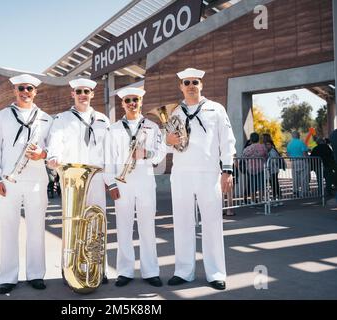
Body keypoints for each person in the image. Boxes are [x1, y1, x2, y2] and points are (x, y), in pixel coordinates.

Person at [165, 67, 236, 290]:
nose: (191, 86)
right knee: (183, 224)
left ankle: (216, 273)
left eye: (195, 82)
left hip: (209, 174)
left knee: (212, 224)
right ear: (181, 87)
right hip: (181, 174)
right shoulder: (174, 112)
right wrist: (168, 141)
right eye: (186, 83)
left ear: (201, 85)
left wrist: (228, 170)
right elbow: (166, 145)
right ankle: (184, 271)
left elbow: (227, 141)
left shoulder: (216, 109)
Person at [0, 74, 53, 294]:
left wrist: (43, 154)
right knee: (8, 229)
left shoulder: (46, 118)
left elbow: (53, 148)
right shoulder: (1, 116)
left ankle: (36, 274)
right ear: (14, 90)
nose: (26, 91)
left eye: (30, 88)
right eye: (21, 88)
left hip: (36, 180)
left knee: (36, 228)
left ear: (36, 92)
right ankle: (7, 277)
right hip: (8, 181)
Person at [47, 78, 110, 284]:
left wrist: (112, 179)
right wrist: (54, 157)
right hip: (73, 179)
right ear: (72, 94)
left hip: (97, 177)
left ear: (92, 94)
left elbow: (108, 149)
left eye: (87, 91)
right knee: (71, 226)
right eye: (79, 91)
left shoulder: (102, 119)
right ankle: (68, 269)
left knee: (98, 226)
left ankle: (99, 270)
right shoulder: (62, 118)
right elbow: (55, 140)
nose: (83, 94)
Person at [104, 87, 166, 287]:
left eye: (135, 100)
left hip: (146, 182)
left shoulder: (152, 126)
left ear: (140, 102)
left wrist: (145, 154)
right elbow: (108, 160)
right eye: (128, 100)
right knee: (123, 229)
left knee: (148, 228)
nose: (132, 103)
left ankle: (151, 272)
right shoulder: (113, 129)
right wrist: (111, 183)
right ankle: (125, 271)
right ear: (122, 103)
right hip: (122, 185)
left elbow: (160, 153)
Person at [242, 132, 268, 204]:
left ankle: (253, 200)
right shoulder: (262, 146)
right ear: (258, 138)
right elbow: (266, 155)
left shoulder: (248, 148)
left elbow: (243, 156)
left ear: (251, 139)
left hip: (251, 169)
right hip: (261, 168)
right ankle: (261, 200)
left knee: (252, 185)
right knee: (261, 185)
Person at [287, 131, 309, 197]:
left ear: (292, 136)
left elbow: (288, 154)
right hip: (302, 161)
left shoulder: (289, 144)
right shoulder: (301, 143)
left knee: (295, 178)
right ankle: (304, 192)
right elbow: (304, 153)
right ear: (298, 135)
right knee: (304, 177)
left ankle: (295, 191)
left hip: (293, 162)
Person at [265, 140, 283, 206]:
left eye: (268, 144)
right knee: (274, 184)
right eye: (266, 144)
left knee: (274, 185)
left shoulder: (272, 151)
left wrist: (268, 166)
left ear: (272, 145)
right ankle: (278, 199)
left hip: (274, 170)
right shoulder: (269, 151)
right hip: (272, 170)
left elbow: (274, 161)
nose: (267, 146)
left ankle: (276, 199)